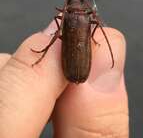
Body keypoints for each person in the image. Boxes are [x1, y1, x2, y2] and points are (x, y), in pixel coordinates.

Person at [0, 21, 128, 138]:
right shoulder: (84, 17)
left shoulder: (68, 16)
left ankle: (46, 50)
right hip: (79, 70)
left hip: (73, 68)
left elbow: (60, 24)